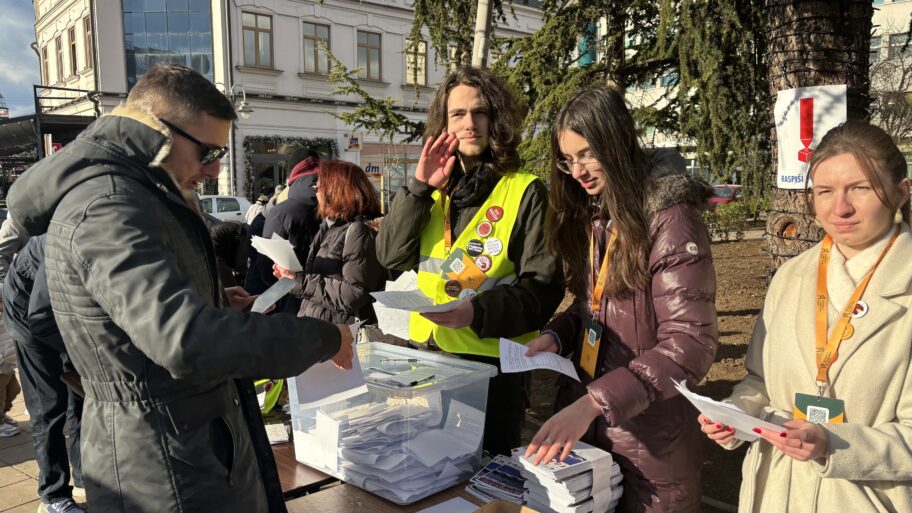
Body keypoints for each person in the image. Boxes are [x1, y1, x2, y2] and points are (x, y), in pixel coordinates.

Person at [6, 63, 353, 513]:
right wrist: (325, 338)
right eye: (208, 152)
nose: (214, 170)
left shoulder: (140, 191)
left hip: (181, 445)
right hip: (164, 463)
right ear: (157, 130)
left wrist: (206, 300)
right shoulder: (110, 205)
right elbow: (185, 341)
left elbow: (127, 314)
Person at [522, 87, 718, 513]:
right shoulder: (602, 213)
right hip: (595, 434)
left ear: (617, 142)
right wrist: (557, 337)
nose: (578, 171)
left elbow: (689, 345)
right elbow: (594, 310)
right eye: (568, 159)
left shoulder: (671, 219)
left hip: (652, 446)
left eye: (587, 154)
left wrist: (594, 402)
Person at [700, 120, 912, 512]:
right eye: (825, 191)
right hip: (777, 493)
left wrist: (833, 444)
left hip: (863, 498)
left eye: (860, 188)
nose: (840, 207)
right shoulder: (791, 277)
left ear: (901, 192)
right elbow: (760, 380)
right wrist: (735, 413)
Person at [376, 67, 564, 456]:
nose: (469, 124)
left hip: (492, 371)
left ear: (496, 119)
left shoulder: (525, 191)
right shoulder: (432, 189)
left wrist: (474, 313)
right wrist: (417, 189)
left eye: (479, 112)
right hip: (426, 360)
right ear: (443, 123)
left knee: (485, 485)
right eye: (457, 114)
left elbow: (542, 290)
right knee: (429, 472)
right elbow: (388, 255)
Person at [3, 235, 85, 513]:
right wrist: (83, 354)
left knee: (80, 400)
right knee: (49, 407)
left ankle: (85, 476)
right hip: (30, 316)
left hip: (63, 312)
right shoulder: (71, 242)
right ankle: (54, 496)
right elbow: (41, 319)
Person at [273, 160, 385, 324]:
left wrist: (298, 281)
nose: (315, 190)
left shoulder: (358, 231)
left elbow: (353, 294)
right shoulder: (329, 226)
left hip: (341, 335)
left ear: (337, 190)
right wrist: (292, 276)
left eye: (320, 185)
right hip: (318, 329)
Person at [210, 221, 251, 288]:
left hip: (244, 235)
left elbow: (226, 274)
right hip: (245, 232)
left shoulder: (211, 250)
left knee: (240, 269)